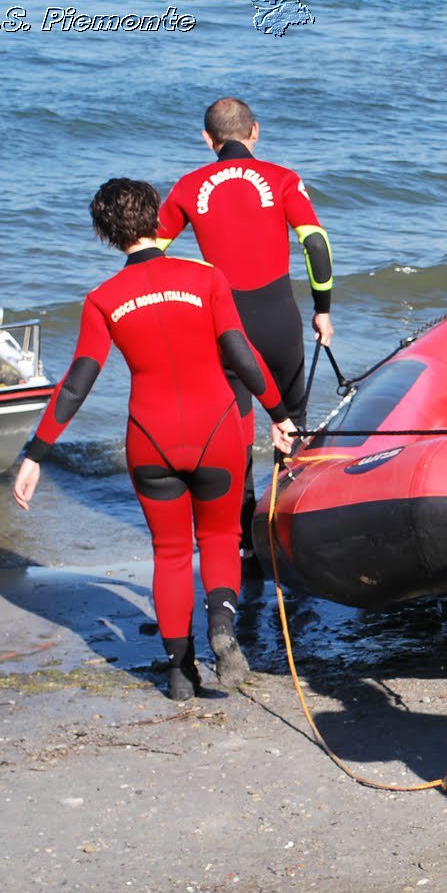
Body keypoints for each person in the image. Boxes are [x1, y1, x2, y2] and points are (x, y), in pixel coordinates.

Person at [13, 179, 298, 700]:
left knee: (168, 554)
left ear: (105, 234)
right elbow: (240, 353)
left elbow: (78, 381)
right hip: (216, 431)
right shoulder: (206, 279)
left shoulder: (102, 299)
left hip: (150, 439)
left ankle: (178, 673)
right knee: (218, 540)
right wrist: (279, 413)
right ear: (156, 218)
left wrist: (36, 453)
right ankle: (221, 624)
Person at [156, 96, 333, 553]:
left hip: (226, 328)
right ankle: (286, 534)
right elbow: (315, 244)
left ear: (207, 139)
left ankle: (245, 546)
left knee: (236, 431)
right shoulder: (283, 179)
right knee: (292, 424)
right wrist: (323, 308)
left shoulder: (188, 186)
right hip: (279, 321)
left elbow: (151, 253)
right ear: (256, 132)